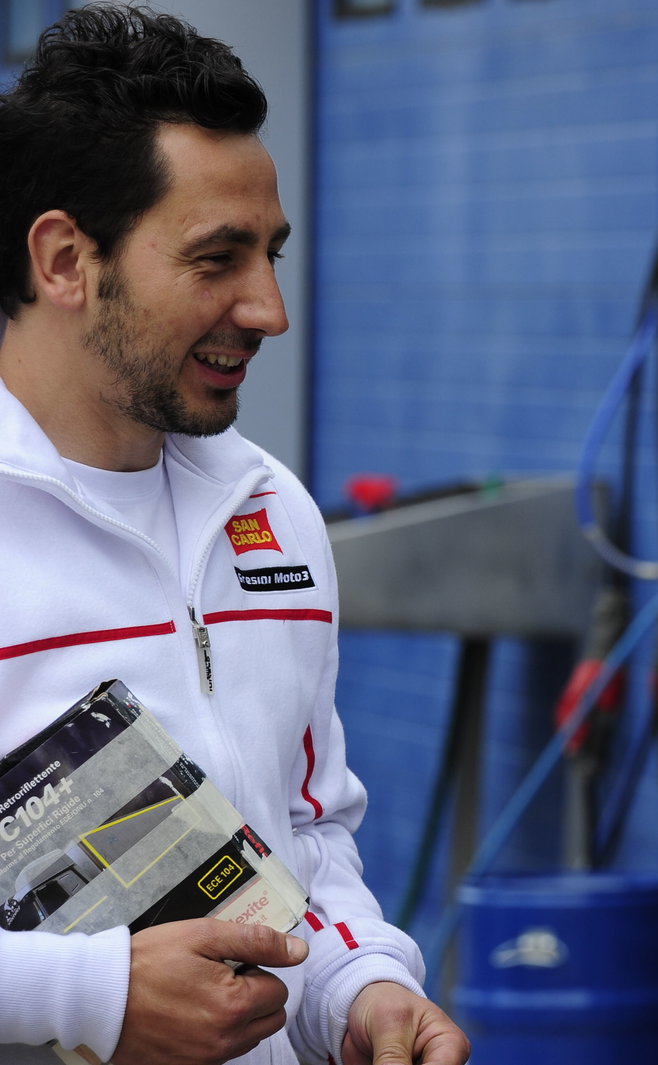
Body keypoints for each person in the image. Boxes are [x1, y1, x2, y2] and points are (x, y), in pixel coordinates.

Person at [0, 7, 469, 1064]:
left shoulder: (271, 514)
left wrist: (361, 987)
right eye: (218, 260)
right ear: (66, 259)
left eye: (272, 256)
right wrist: (90, 994)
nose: (267, 309)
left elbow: (304, 836)